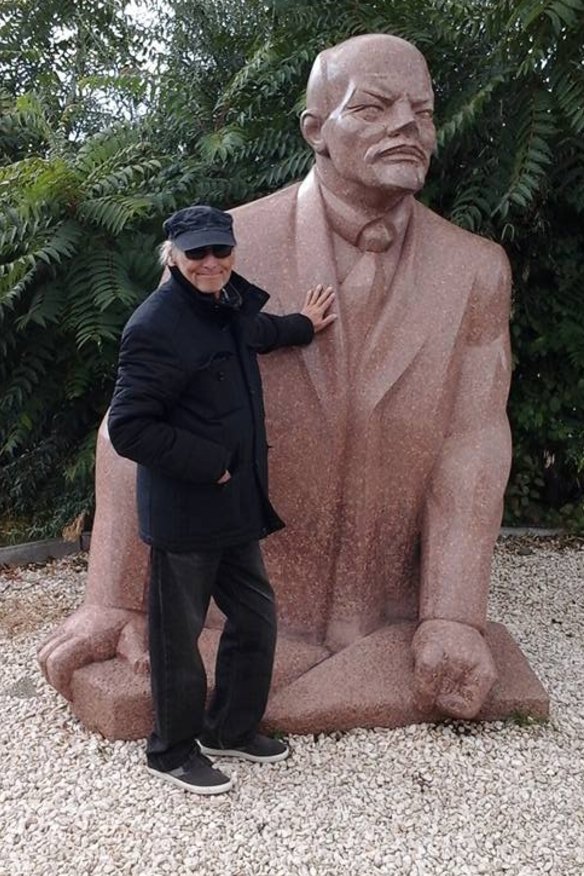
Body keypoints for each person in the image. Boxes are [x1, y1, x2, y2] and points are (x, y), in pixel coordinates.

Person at [39, 34, 527, 740]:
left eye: (421, 111)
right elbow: (135, 421)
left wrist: (451, 614)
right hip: (231, 566)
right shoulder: (224, 249)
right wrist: (118, 598)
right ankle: (188, 729)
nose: (408, 128)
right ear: (314, 131)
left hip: (383, 607)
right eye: (377, 108)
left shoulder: (477, 268)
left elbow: (475, 440)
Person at [106, 205, 335, 794]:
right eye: (197, 253)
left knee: (256, 617)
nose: (211, 262)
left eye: (220, 251)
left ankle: (229, 728)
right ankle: (171, 751)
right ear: (174, 256)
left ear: (233, 251)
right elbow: (129, 427)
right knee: (177, 639)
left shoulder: (227, 304)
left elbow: (257, 334)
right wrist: (210, 465)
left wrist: (303, 325)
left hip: (235, 511)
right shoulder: (155, 325)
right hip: (186, 513)